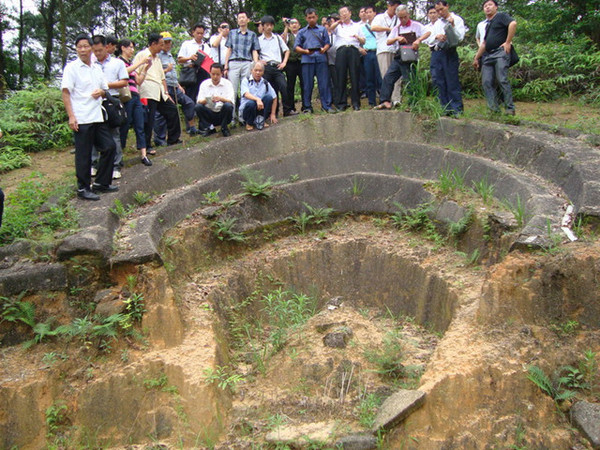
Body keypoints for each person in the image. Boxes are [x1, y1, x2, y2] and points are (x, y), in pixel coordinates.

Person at [61, 34, 117, 201]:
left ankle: (101, 183)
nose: (83, 49)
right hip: (82, 117)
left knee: (109, 147)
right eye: (80, 47)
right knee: (83, 155)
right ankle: (83, 188)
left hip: (97, 115)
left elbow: (105, 89)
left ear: (92, 48)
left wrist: (101, 92)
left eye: (86, 46)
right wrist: (71, 116)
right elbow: (65, 93)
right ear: (76, 49)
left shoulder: (96, 67)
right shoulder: (71, 68)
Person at [133, 33, 181, 152]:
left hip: (159, 89)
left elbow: (162, 77)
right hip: (147, 89)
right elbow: (135, 73)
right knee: (149, 118)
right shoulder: (142, 55)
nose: (162, 47)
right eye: (160, 45)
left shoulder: (157, 58)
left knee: (172, 110)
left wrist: (166, 92)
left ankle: (173, 139)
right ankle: (147, 145)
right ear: (153, 44)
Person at [375, 5, 430, 110]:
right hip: (399, 56)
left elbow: (427, 32)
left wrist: (418, 40)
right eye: (400, 17)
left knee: (410, 80)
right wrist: (397, 38)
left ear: (408, 15)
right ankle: (385, 101)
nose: (403, 19)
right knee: (388, 77)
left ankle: (413, 103)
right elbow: (388, 41)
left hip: (410, 57)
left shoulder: (416, 25)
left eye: (405, 17)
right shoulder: (396, 28)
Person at [91, 35, 129, 180]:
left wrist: (106, 86)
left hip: (111, 100)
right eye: (94, 51)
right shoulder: (91, 64)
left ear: (106, 47)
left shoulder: (117, 63)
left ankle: (116, 165)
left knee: (114, 134)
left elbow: (124, 82)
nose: (97, 54)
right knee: (94, 134)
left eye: (100, 50)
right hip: (94, 102)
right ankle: (94, 165)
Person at [473, 0, 517, 115]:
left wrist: (507, 42)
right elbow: (484, 44)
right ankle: (494, 110)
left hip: (500, 53)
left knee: (502, 79)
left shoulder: (501, 16)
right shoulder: (488, 24)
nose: (487, 7)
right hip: (487, 55)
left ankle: (510, 109)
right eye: (485, 6)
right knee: (486, 82)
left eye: (490, 5)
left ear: (496, 7)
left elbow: (513, 24)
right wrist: (477, 58)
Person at [116, 39, 153, 166]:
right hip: (126, 97)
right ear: (123, 48)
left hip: (136, 95)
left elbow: (138, 81)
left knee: (140, 124)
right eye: (130, 47)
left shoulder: (130, 64)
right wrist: (140, 63)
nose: (132, 50)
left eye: (132, 48)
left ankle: (143, 154)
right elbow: (122, 72)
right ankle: (118, 154)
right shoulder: (119, 62)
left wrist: (145, 68)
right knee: (124, 125)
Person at [155, 31, 198, 139]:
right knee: (162, 113)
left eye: (169, 42)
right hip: (164, 86)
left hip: (174, 85)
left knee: (189, 103)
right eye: (166, 42)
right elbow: (156, 73)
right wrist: (166, 70)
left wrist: (178, 85)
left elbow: (173, 73)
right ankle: (160, 138)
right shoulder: (157, 56)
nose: (168, 44)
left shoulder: (170, 55)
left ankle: (190, 127)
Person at [430, 0, 466, 116]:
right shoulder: (437, 23)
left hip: (449, 52)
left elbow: (459, 38)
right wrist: (437, 36)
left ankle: (456, 109)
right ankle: (444, 108)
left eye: (442, 9)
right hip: (437, 52)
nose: (440, 12)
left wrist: (452, 26)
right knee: (438, 80)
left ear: (447, 7)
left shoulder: (457, 19)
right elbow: (429, 39)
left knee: (452, 80)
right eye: (437, 10)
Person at [295, 8, 334, 113]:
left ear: (317, 17)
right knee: (307, 84)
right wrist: (305, 51)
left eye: (313, 17)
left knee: (324, 83)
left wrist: (324, 49)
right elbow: (296, 47)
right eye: (309, 17)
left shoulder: (322, 29)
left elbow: (328, 43)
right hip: (307, 60)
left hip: (321, 59)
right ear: (306, 18)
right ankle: (307, 107)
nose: (311, 19)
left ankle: (326, 105)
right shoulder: (302, 32)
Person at [224, 11, 261, 120]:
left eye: (243, 17)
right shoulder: (232, 33)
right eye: (239, 18)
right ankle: (232, 118)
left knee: (246, 90)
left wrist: (255, 64)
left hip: (247, 63)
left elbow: (254, 50)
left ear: (247, 19)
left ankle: (243, 117)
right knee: (233, 91)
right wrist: (226, 65)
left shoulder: (252, 34)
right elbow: (229, 49)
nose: (241, 19)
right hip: (234, 63)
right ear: (237, 20)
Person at [258, 15, 296, 117]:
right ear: (263, 26)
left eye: (271, 25)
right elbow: (255, 53)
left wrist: (284, 62)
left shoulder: (277, 38)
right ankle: (271, 113)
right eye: (266, 25)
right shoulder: (259, 40)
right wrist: (259, 61)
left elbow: (287, 50)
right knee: (270, 91)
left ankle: (287, 110)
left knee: (284, 86)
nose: (269, 27)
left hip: (277, 67)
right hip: (266, 68)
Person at [329, 6, 365, 111]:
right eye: (341, 13)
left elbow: (363, 41)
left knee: (355, 77)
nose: (344, 14)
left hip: (354, 50)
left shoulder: (357, 26)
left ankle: (356, 103)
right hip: (341, 51)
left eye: (345, 12)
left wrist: (358, 38)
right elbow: (330, 29)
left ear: (350, 13)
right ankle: (341, 103)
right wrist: (339, 21)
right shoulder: (338, 26)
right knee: (341, 77)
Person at [371, 0, 402, 106]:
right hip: (383, 49)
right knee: (386, 75)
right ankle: (386, 100)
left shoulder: (398, 18)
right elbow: (373, 27)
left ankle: (396, 99)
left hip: (397, 50)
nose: (396, 11)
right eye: (395, 8)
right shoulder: (379, 17)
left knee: (398, 76)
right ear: (389, 6)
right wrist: (389, 29)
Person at [195, 63, 235, 137]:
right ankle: (209, 127)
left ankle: (224, 128)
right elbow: (199, 101)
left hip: (222, 112)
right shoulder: (204, 84)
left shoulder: (228, 84)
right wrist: (208, 100)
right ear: (210, 73)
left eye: (217, 74)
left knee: (228, 106)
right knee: (198, 107)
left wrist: (221, 99)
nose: (215, 76)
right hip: (210, 111)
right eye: (213, 74)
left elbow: (231, 101)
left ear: (222, 74)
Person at [177, 23, 212, 104]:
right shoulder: (187, 44)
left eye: (201, 33)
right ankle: (190, 114)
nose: (199, 35)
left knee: (203, 93)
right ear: (193, 32)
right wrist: (190, 58)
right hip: (190, 72)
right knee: (190, 95)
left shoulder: (206, 46)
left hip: (202, 72)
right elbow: (179, 60)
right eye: (198, 33)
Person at [239, 61, 278, 131]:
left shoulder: (265, 83)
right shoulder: (246, 81)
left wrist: (273, 114)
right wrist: (257, 99)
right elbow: (246, 94)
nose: (258, 73)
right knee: (251, 103)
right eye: (256, 70)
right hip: (248, 110)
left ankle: (262, 120)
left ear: (263, 72)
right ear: (251, 71)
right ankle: (249, 123)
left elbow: (274, 97)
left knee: (268, 98)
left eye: (260, 71)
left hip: (259, 109)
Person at [360, 6, 382, 107]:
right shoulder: (362, 28)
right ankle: (371, 102)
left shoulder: (379, 25)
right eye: (366, 12)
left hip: (378, 52)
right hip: (368, 54)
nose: (368, 14)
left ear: (374, 13)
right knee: (369, 78)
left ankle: (383, 99)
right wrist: (360, 48)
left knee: (380, 77)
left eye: (370, 12)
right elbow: (358, 40)